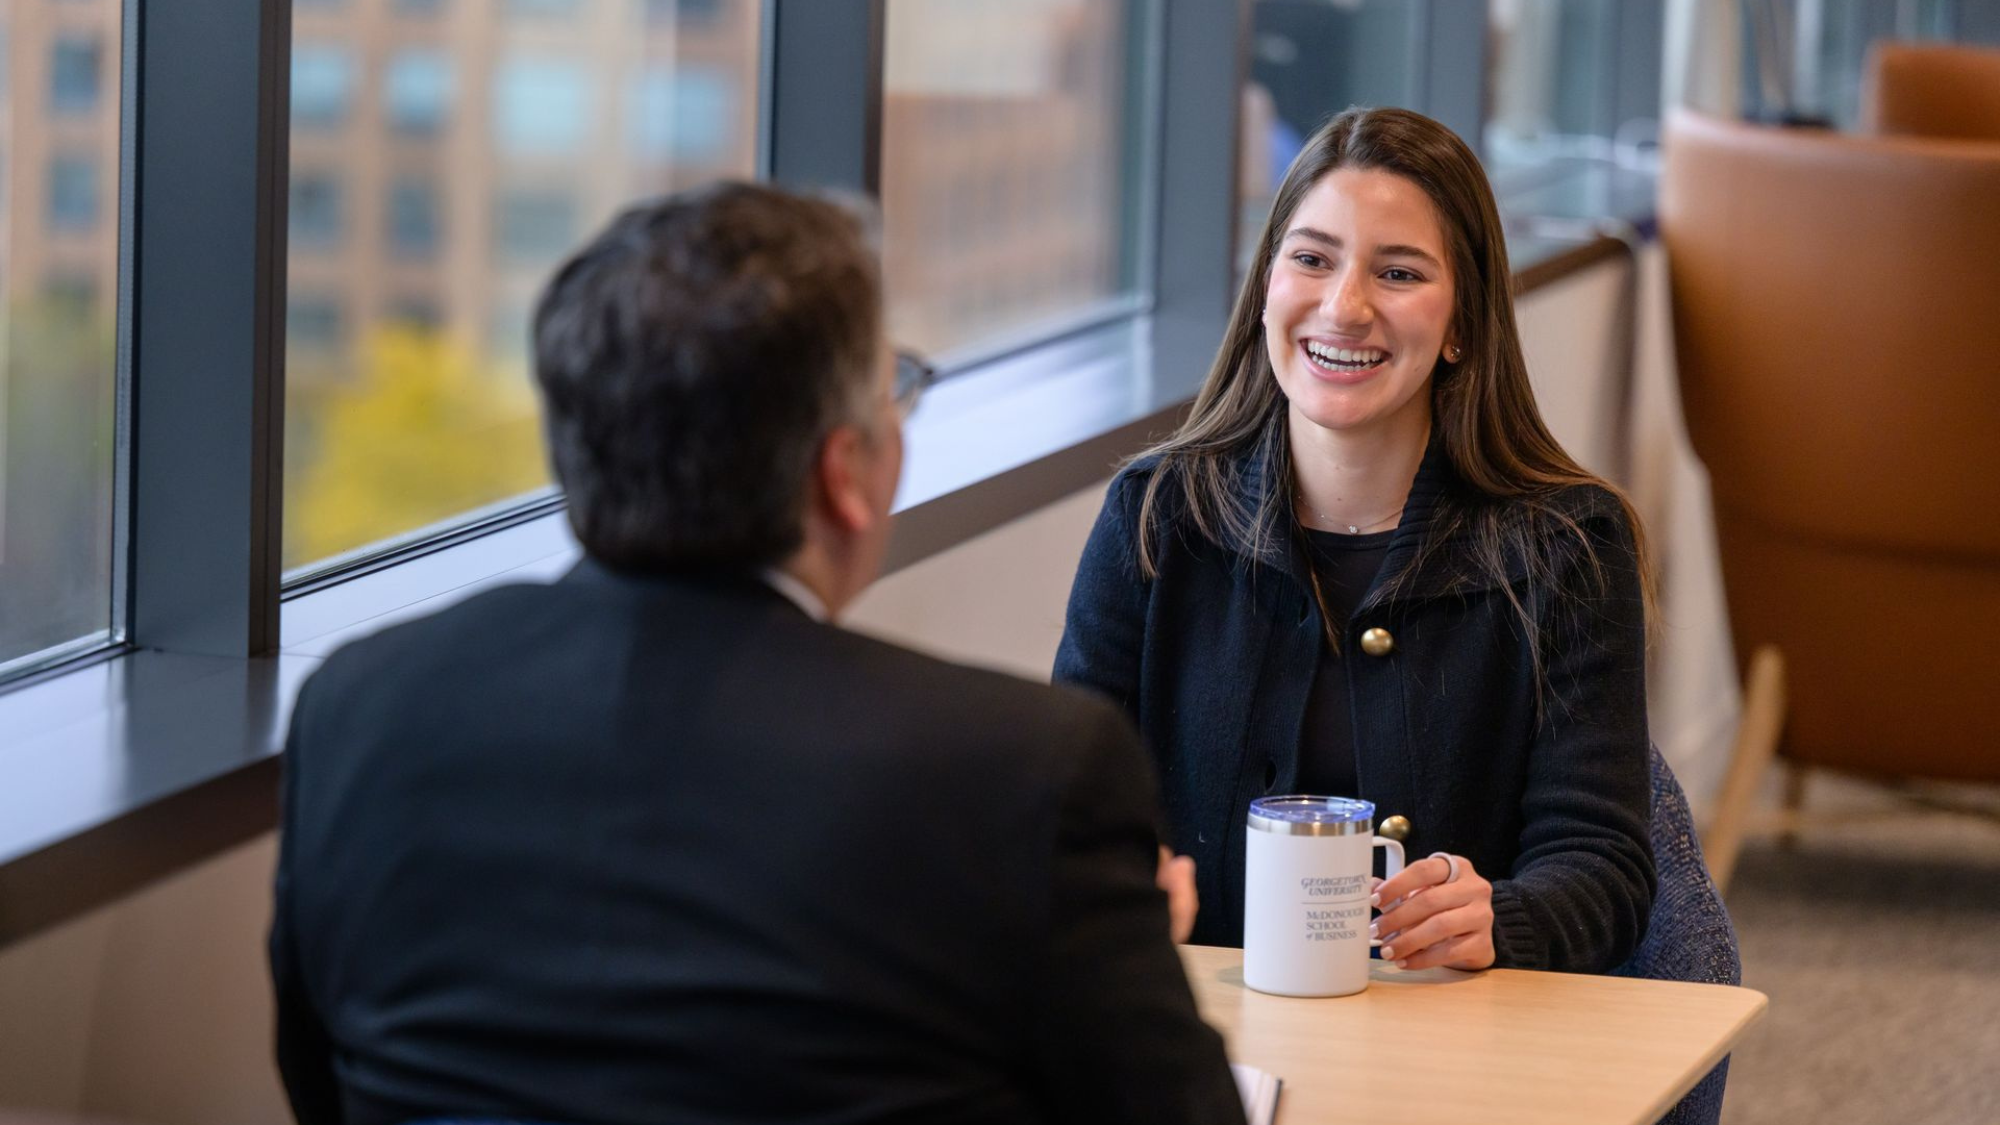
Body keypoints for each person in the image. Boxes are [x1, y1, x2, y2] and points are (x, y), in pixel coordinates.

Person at [270, 183, 1246, 1125]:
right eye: (894, 391)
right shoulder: (1022, 774)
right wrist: (1120, 950)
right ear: (842, 473)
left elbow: (324, 1080)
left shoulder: (358, 708)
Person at [1054, 106, 1656, 973]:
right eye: (1311, 259)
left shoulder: (1568, 546)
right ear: (1267, 287)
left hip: (1449, 1026)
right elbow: (1069, 804)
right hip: (1199, 1022)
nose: (1344, 307)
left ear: (1462, 324)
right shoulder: (1154, 519)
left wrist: (1503, 917)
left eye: (1399, 272)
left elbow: (1605, 867)